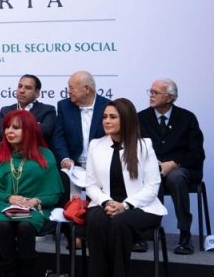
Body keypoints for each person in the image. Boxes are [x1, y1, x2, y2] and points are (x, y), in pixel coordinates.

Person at [84, 98, 167, 277]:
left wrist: (125, 205)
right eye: (105, 116)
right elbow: (90, 185)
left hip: (141, 207)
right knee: (97, 221)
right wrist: (106, 201)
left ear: (126, 119)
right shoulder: (95, 145)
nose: (107, 121)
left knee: (119, 224)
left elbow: (153, 186)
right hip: (103, 203)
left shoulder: (144, 145)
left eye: (113, 117)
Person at [0, 110, 63, 277]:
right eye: (7, 127)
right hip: (2, 204)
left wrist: (34, 201)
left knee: (25, 226)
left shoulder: (45, 155)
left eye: (16, 128)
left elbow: (54, 193)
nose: (9, 131)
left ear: (29, 130)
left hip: (34, 206)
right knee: (3, 226)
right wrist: (8, 197)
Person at [137, 78, 205, 254]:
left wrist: (174, 163)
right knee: (148, 176)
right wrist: (152, 163)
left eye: (155, 93)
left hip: (183, 170)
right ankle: (143, 233)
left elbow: (197, 153)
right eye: (150, 92)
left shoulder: (187, 118)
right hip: (153, 169)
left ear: (169, 98)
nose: (151, 96)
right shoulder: (141, 117)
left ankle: (185, 235)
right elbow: (135, 148)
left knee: (175, 177)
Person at [52, 70, 110, 174]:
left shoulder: (108, 107)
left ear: (86, 89)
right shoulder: (64, 106)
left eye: (72, 88)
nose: (68, 91)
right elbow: (58, 137)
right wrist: (65, 159)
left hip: (102, 167)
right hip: (73, 168)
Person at [0, 74, 57, 145]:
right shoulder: (6, 110)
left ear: (37, 93)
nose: (22, 91)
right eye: (20, 86)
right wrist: (33, 126)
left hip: (36, 154)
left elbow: (45, 132)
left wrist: (13, 130)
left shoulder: (47, 110)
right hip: (10, 154)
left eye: (28, 88)